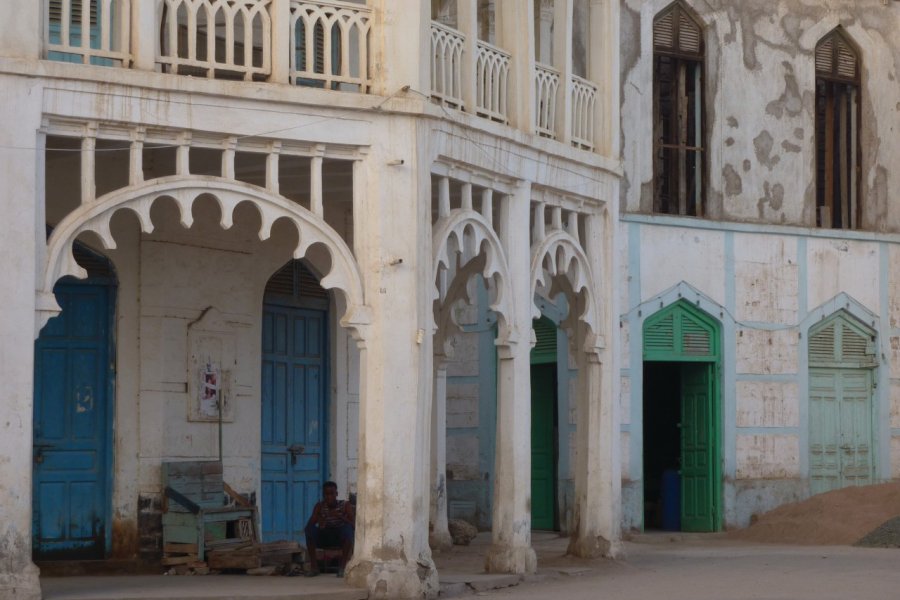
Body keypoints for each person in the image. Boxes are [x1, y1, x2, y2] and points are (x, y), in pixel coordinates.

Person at [304, 481, 355, 577]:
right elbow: (308, 526)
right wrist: (320, 521)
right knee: (309, 530)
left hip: (339, 537)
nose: (329, 497)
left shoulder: (344, 505)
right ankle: (314, 568)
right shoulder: (319, 506)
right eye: (326, 494)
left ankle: (342, 568)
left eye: (331, 494)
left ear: (336, 494)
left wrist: (340, 517)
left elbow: (354, 525)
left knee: (348, 529)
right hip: (325, 536)